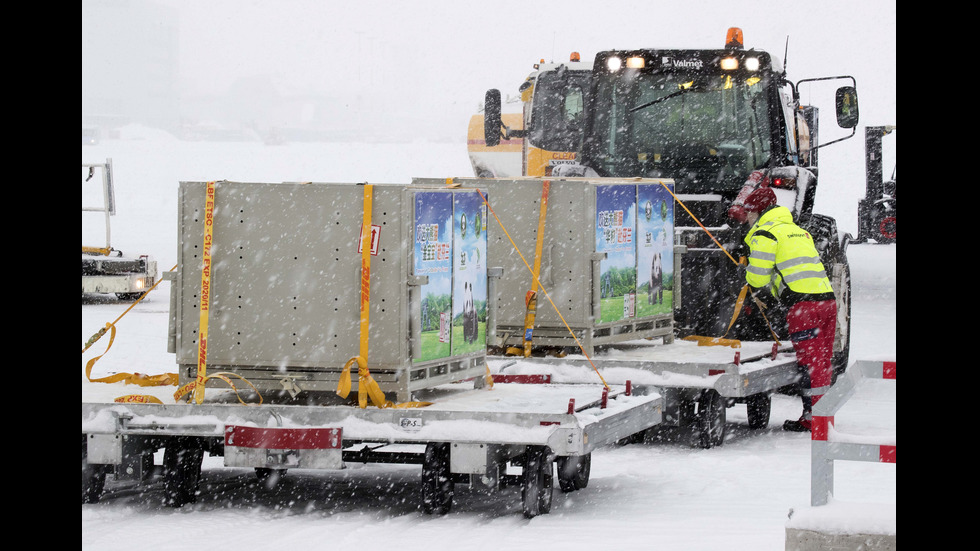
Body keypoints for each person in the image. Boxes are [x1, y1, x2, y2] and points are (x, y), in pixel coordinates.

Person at [740, 186, 837, 432]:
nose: (747, 218)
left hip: (804, 308)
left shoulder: (765, 233)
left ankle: (814, 420)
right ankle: (822, 416)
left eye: (749, 212)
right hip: (827, 302)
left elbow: (758, 278)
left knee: (809, 364)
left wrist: (751, 275)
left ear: (758, 211)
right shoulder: (797, 231)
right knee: (822, 362)